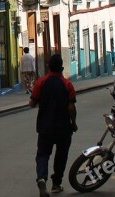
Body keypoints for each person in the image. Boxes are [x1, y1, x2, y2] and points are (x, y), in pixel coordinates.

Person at [30, 54, 77, 197]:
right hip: (63, 127)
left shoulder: (41, 82)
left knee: (43, 154)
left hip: (45, 126)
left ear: (48, 67)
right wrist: (73, 123)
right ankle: (56, 184)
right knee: (61, 155)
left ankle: (42, 178)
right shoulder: (67, 84)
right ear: (62, 68)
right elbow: (71, 108)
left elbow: (32, 103)